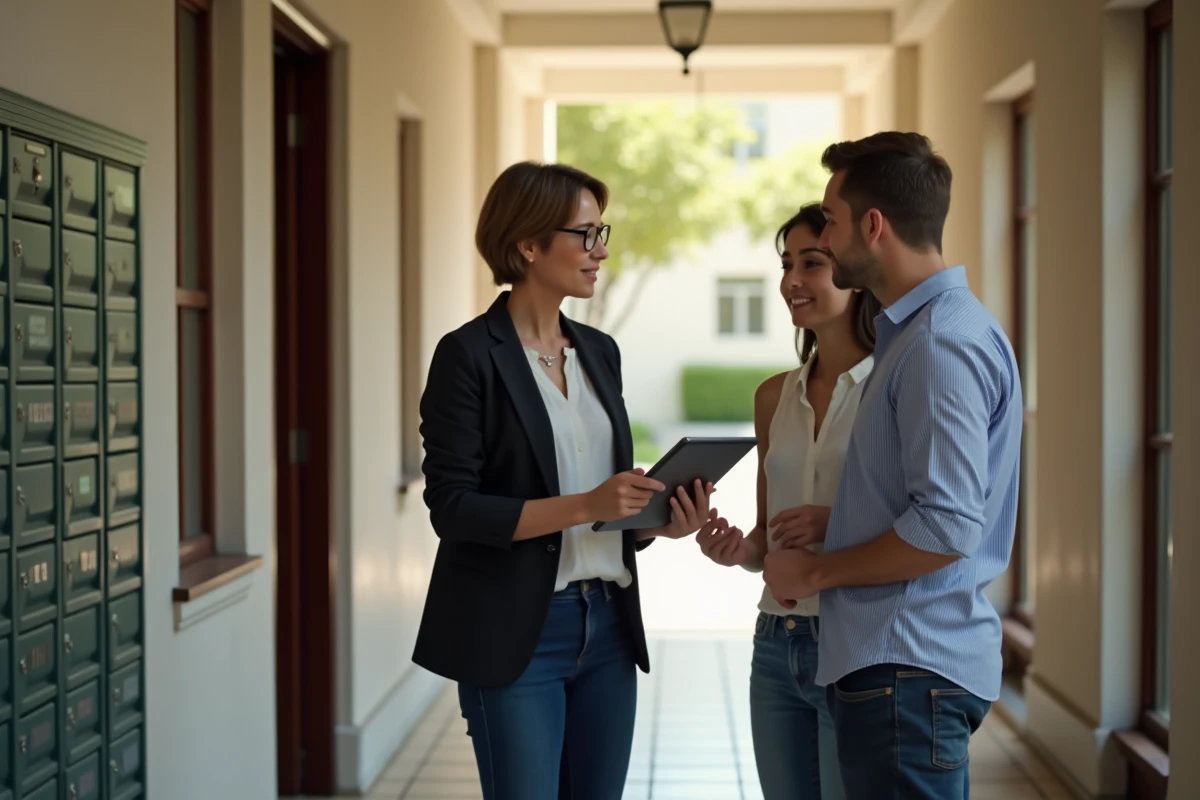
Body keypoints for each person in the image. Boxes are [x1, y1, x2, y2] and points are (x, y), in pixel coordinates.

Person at [413, 160, 717, 800]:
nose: (600, 250)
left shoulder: (600, 352)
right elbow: (454, 508)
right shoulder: (467, 356)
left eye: (601, 232)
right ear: (527, 244)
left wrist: (655, 521)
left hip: (608, 627)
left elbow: (604, 515)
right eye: (585, 234)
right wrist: (585, 503)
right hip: (516, 632)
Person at [761, 132, 1023, 799]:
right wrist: (839, 519)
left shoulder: (940, 344)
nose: (829, 234)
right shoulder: (918, 333)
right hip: (898, 671)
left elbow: (944, 527)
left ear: (873, 227)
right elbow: (927, 500)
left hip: (907, 672)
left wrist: (819, 568)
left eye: (835, 221)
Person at [695, 203, 880, 800]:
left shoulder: (893, 387)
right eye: (787, 264)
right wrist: (736, 549)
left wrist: (835, 523)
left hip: (856, 645)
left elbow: (927, 522)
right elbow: (767, 539)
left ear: (853, 273)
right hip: (776, 643)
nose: (792, 281)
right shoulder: (773, 396)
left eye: (813, 264)